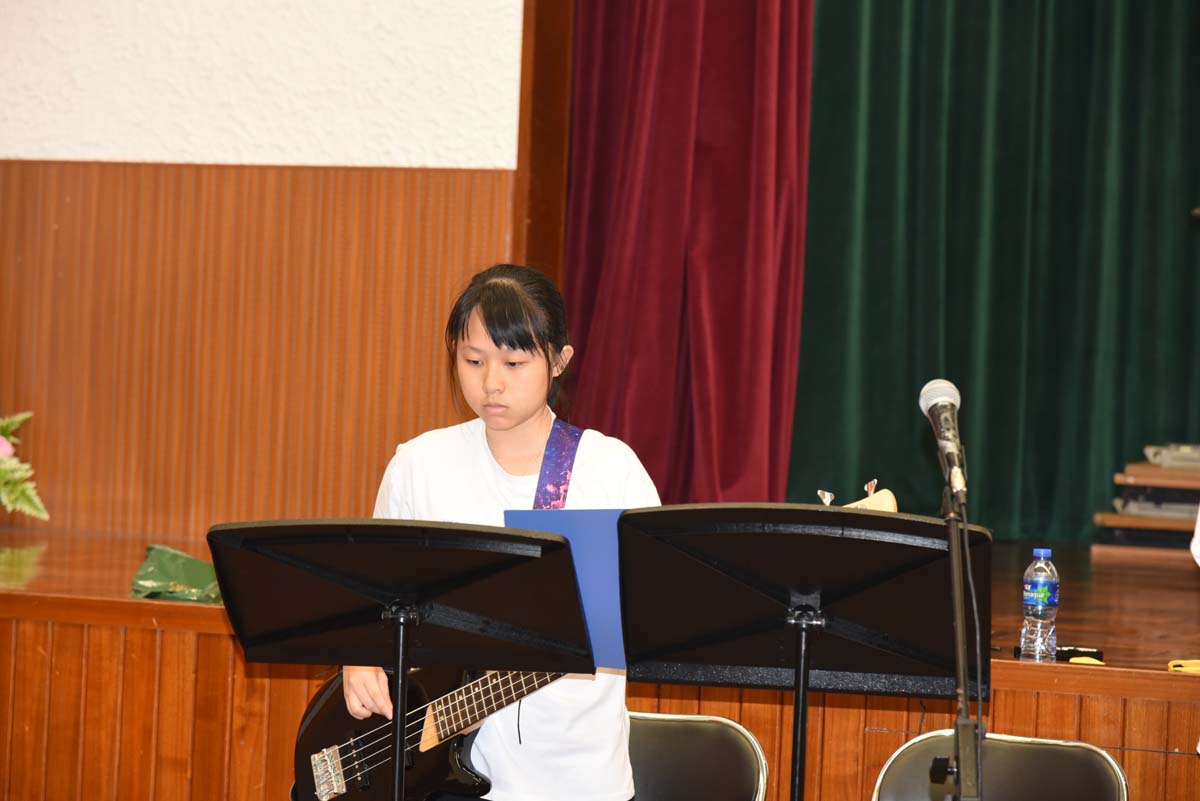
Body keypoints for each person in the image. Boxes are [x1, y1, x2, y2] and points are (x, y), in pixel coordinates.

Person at [343, 263, 660, 801]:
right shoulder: (420, 466)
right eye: (473, 360)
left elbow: (653, 609)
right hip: (440, 776)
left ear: (559, 361)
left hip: (579, 781)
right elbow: (375, 600)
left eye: (514, 363)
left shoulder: (608, 471)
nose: (491, 382)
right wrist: (359, 655)